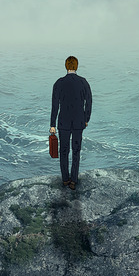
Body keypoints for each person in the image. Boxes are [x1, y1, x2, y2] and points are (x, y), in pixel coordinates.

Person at [50, 56, 92, 190]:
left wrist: (52, 125)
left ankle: (65, 179)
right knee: (76, 151)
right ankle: (74, 180)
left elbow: (55, 105)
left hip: (63, 122)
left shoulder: (59, 83)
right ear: (77, 66)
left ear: (66, 66)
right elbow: (89, 102)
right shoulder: (83, 82)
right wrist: (86, 119)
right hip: (79, 122)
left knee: (63, 151)